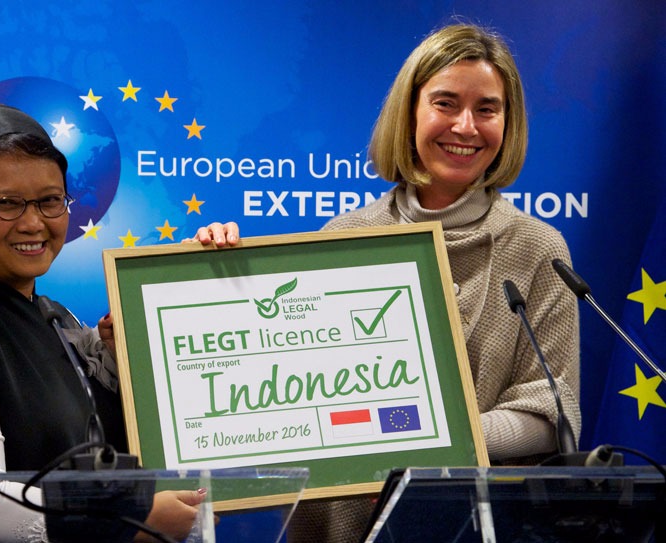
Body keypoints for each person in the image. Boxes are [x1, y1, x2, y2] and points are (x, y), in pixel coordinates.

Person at [238, 22, 580, 543]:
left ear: (508, 124)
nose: (466, 126)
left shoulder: (538, 249)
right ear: (410, 112)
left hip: (478, 528)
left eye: (487, 109)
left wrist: (425, 444)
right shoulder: (343, 238)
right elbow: (281, 393)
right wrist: (212, 275)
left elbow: (551, 412)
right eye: (446, 103)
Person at [0, 102, 239, 542]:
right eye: (7, 204)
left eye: (50, 201)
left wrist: (201, 286)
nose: (33, 223)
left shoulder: (56, 318)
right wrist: (126, 520)